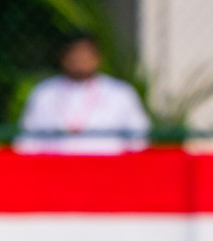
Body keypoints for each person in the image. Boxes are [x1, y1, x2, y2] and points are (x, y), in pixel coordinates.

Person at [14, 33, 149, 155]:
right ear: (63, 58)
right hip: (55, 171)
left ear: (98, 58)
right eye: (75, 54)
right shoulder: (44, 93)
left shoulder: (120, 92)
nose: (80, 60)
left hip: (108, 171)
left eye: (86, 54)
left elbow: (138, 139)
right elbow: (27, 142)